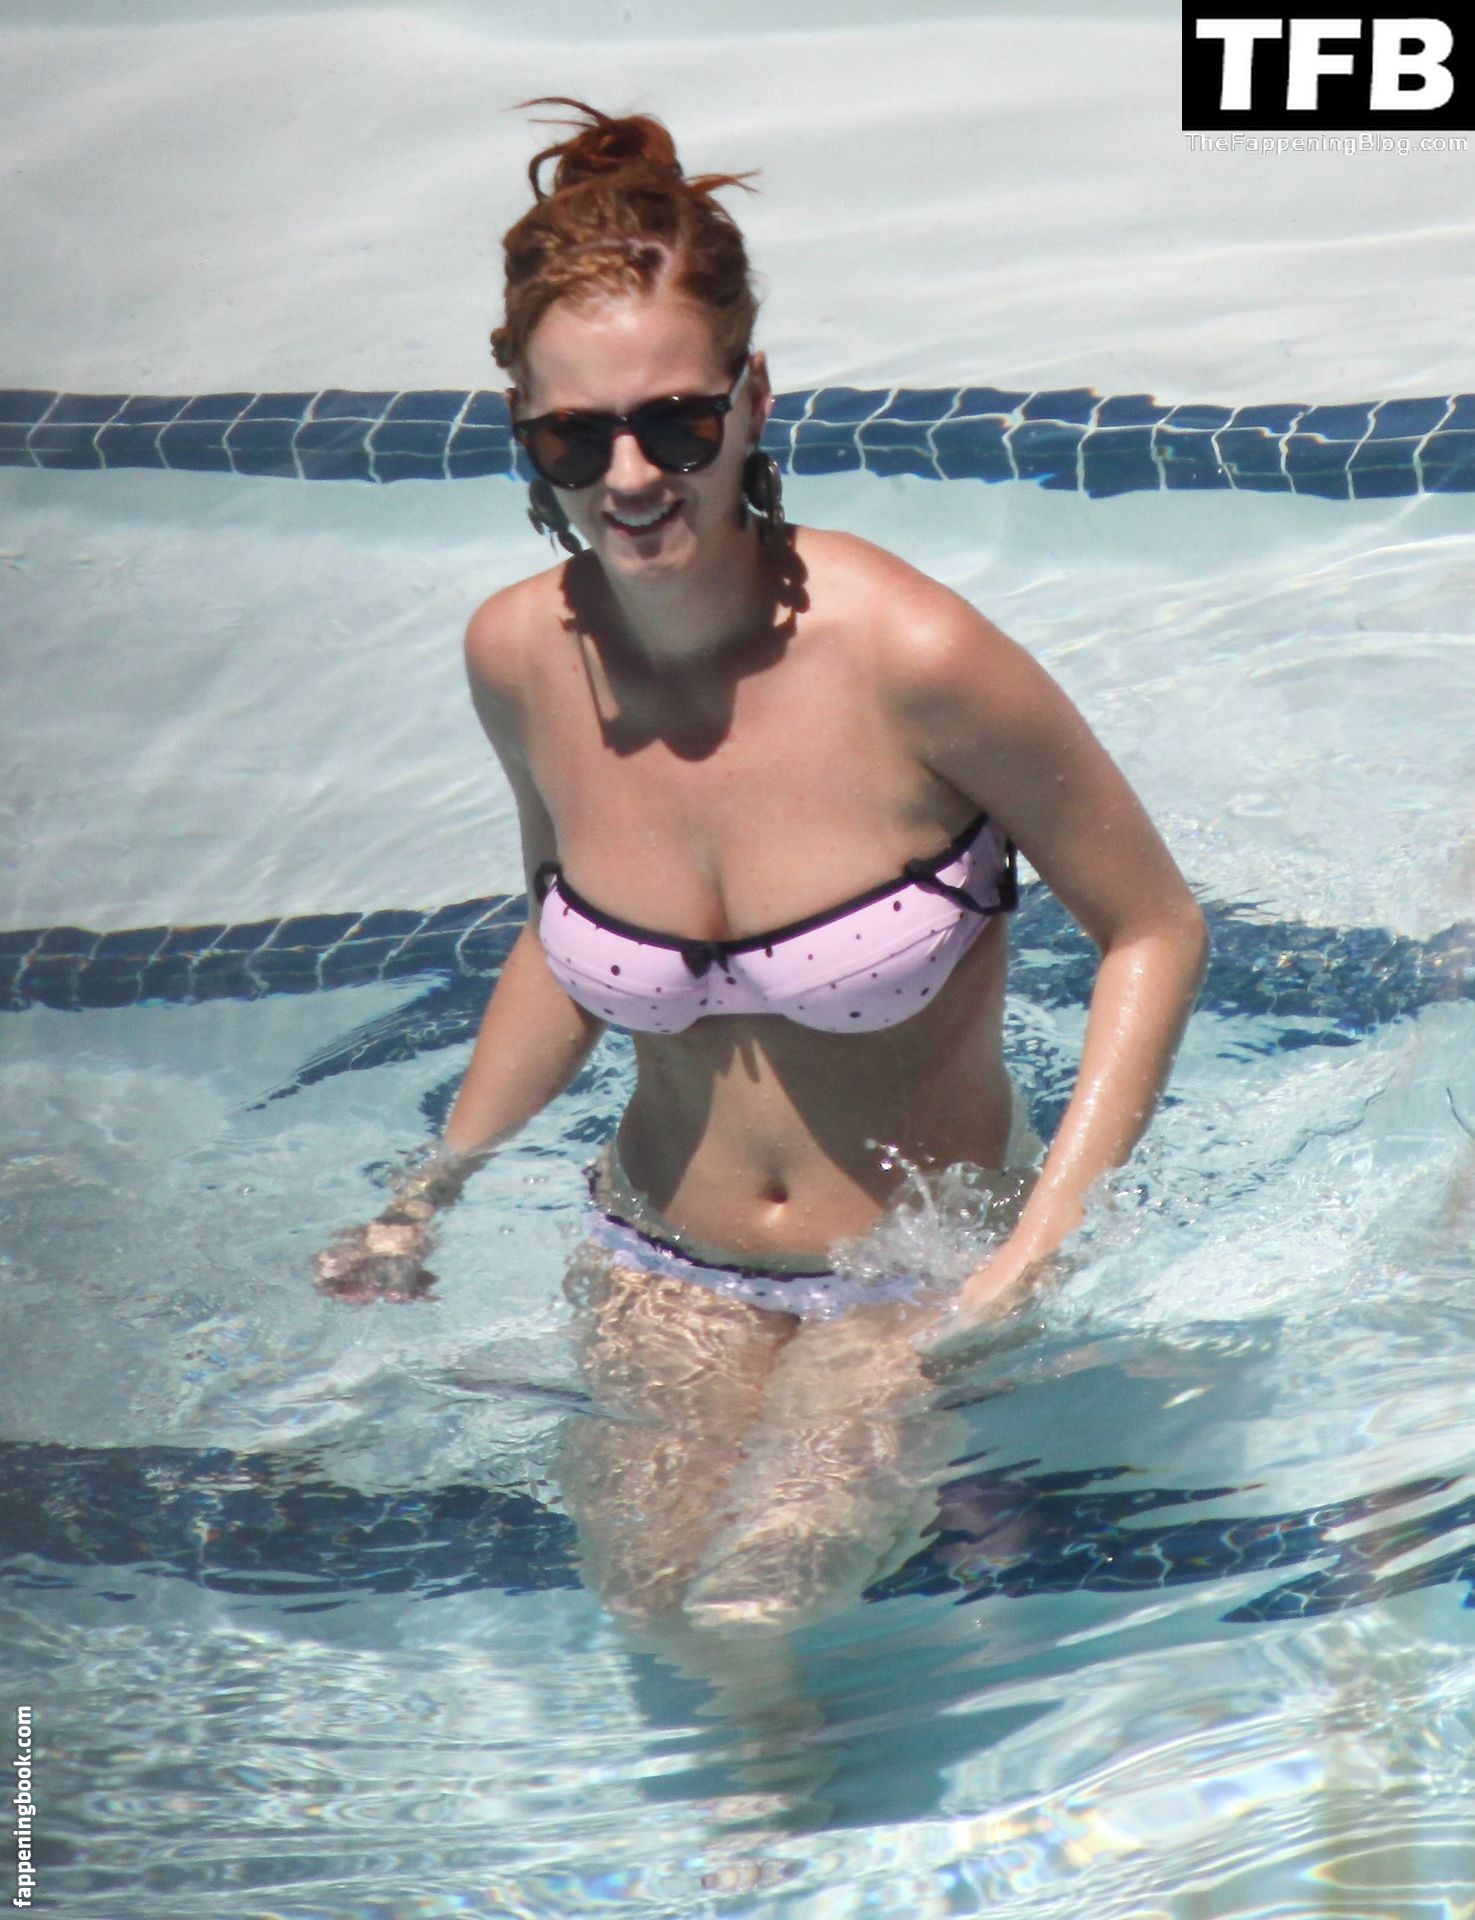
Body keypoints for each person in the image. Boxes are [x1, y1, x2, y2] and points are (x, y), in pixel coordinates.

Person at [314, 98, 1208, 1634]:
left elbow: (1154, 928)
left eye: (676, 421)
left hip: (907, 1277)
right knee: (651, 1608)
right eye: (575, 436)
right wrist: (430, 1189)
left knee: (756, 1610)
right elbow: (559, 945)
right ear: (524, 432)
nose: (632, 476)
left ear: (753, 400)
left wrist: (1041, 1246)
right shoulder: (519, 658)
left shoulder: (910, 653)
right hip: (658, 1259)